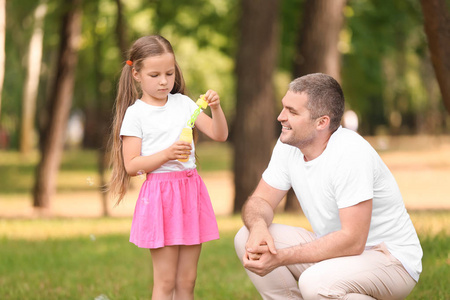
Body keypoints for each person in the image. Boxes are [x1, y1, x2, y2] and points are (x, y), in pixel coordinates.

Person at [234, 73, 422, 300]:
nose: (280, 117)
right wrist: (258, 227)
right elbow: (260, 201)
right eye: (284, 107)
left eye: (292, 112)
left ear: (322, 122)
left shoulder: (350, 153)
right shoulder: (289, 145)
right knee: (246, 238)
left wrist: (281, 257)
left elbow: (353, 240)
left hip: (389, 260)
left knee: (314, 283)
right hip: (339, 255)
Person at [109, 35, 228, 300]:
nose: (164, 81)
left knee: (187, 280)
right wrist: (167, 154)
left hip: (190, 192)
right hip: (160, 197)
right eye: (155, 75)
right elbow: (132, 165)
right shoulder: (136, 114)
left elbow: (219, 135)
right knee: (165, 281)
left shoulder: (185, 104)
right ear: (136, 74)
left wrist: (217, 109)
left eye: (169, 73)